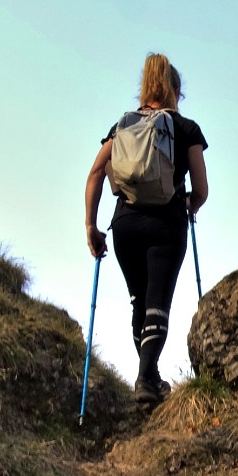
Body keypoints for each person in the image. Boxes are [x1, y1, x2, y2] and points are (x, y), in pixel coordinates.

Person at [84, 53, 209, 405]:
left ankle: (150, 376)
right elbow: (200, 189)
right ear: (174, 91)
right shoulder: (186, 129)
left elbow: (96, 172)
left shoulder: (122, 126)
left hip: (125, 224)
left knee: (140, 300)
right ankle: (144, 379)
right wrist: (191, 205)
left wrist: (91, 226)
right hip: (166, 224)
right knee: (158, 303)